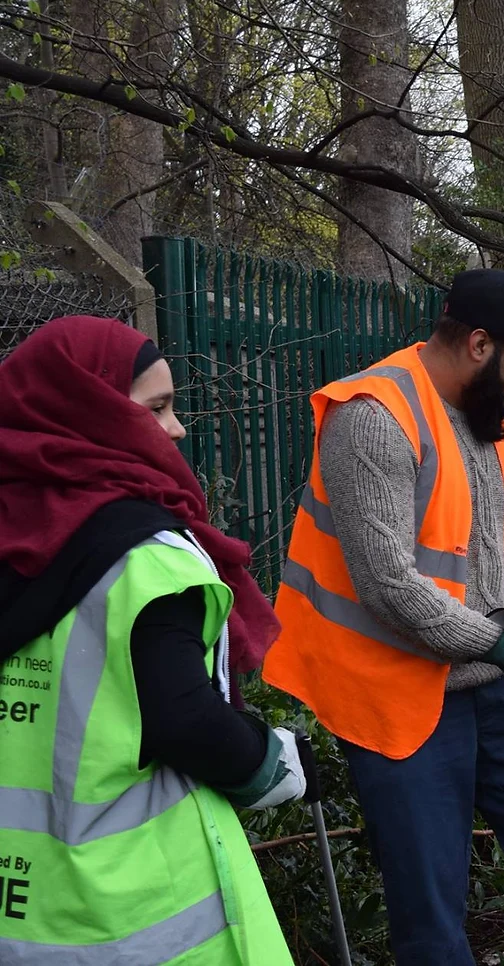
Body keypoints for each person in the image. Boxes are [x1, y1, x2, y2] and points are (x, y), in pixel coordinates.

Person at [263, 269, 504, 966]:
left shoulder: (498, 426)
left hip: (496, 682)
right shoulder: (373, 416)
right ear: (481, 344)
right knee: (431, 919)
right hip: (394, 696)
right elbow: (389, 584)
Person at [0, 317, 305, 963]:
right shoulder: (146, 556)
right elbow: (185, 718)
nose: (176, 429)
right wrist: (263, 760)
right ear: (90, 409)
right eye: (157, 408)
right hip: (133, 911)